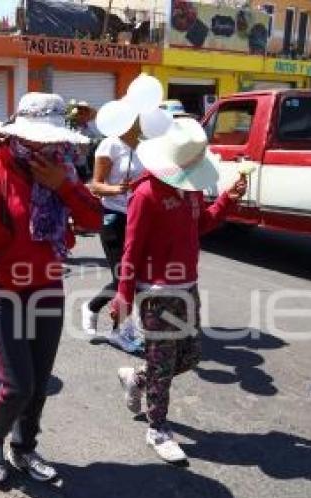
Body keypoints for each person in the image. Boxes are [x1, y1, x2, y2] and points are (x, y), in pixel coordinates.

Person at [0, 93, 102, 483]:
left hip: (46, 285)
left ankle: (24, 448)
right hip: (1, 285)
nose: (46, 145)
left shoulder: (65, 168)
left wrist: (63, 186)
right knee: (17, 385)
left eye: (51, 138)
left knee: (39, 382)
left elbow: (93, 219)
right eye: (37, 138)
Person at [111, 118, 247, 463]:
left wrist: (228, 201)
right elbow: (131, 249)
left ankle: (138, 379)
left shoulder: (191, 189)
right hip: (156, 291)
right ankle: (157, 429)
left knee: (188, 357)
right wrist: (124, 295)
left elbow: (201, 225)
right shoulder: (146, 194)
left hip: (188, 286)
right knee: (164, 361)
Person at [82, 118, 144, 353]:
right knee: (123, 277)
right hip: (114, 216)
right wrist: (117, 189)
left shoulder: (148, 145)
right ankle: (112, 325)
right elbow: (95, 185)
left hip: (141, 217)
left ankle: (119, 326)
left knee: (137, 277)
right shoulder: (110, 145)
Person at [70, 100, 99, 182]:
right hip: (69, 165)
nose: (82, 115)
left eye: (85, 113)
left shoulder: (90, 132)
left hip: (82, 165)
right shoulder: (68, 128)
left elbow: (90, 149)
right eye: (80, 112)